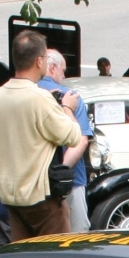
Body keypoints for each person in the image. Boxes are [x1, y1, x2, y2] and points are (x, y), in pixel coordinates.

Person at [0, 29, 83, 241]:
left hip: (11, 198)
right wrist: (67, 107)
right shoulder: (39, 99)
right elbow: (73, 136)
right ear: (39, 61)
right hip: (41, 198)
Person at [40, 47, 92, 230]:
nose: (63, 76)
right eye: (63, 70)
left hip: (33, 182)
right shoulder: (71, 96)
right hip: (71, 180)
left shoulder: (27, 95)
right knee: (75, 236)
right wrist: (60, 171)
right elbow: (81, 141)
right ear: (52, 68)